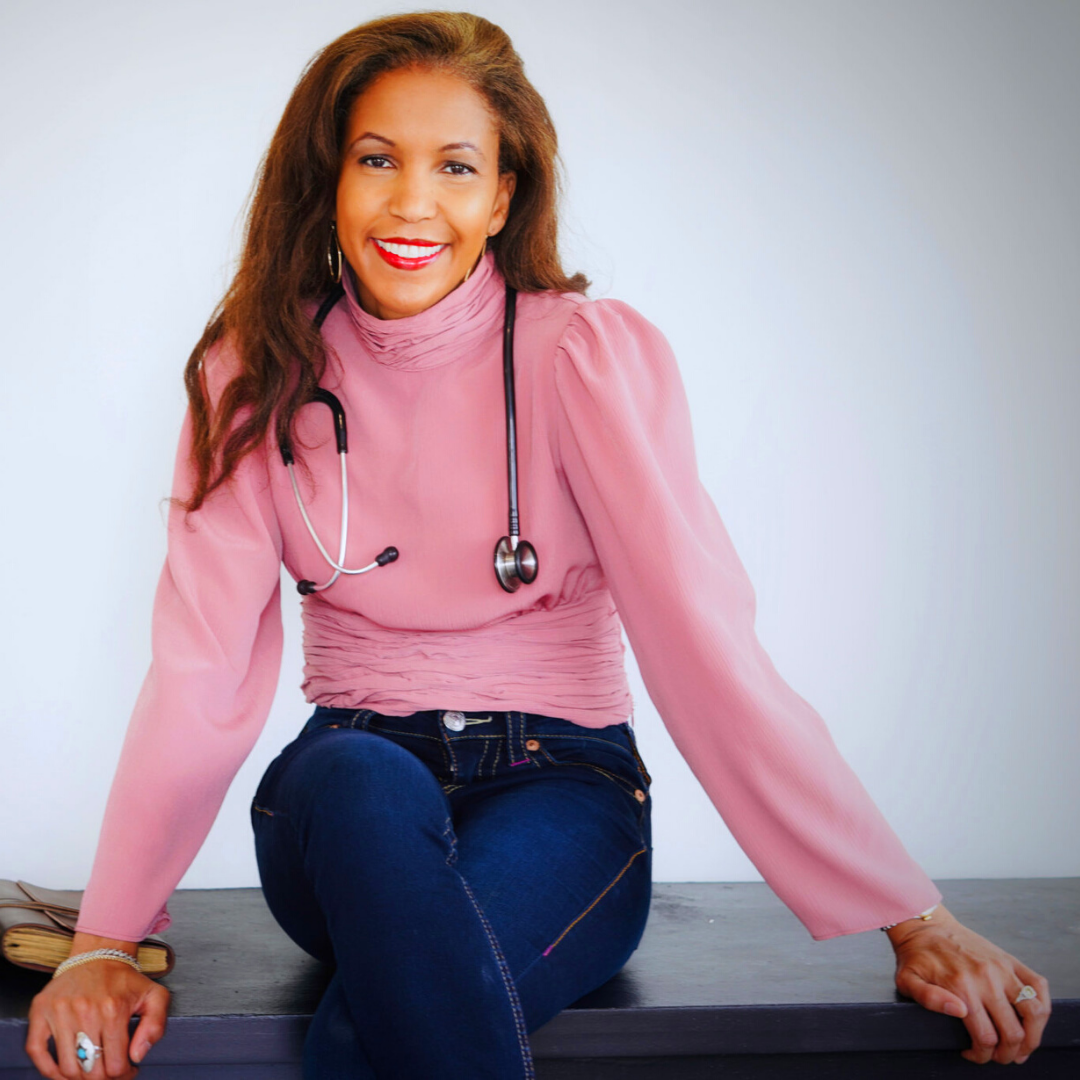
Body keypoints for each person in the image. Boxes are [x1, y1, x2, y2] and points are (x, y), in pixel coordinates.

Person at [26, 11, 1051, 1080]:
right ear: (327, 177)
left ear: (503, 195)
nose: (414, 202)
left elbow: (706, 647)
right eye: (377, 159)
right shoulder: (256, 372)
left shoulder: (582, 361)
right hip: (350, 804)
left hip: (562, 785)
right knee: (361, 781)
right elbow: (200, 672)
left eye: (456, 167)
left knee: (391, 1012)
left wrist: (908, 911)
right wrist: (102, 942)